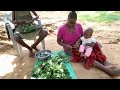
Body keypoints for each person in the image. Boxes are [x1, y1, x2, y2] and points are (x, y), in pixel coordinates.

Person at [57, 11, 120, 77]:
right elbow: (58, 41)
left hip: (81, 44)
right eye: (70, 22)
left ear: (76, 20)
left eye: (73, 23)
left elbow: (83, 37)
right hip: (70, 49)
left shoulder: (79, 26)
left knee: (96, 45)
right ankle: (109, 71)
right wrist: (65, 45)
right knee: (89, 56)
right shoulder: (62, 29)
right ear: (67, 19)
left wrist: (79, 42)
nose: (71, 25)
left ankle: (105, 62)